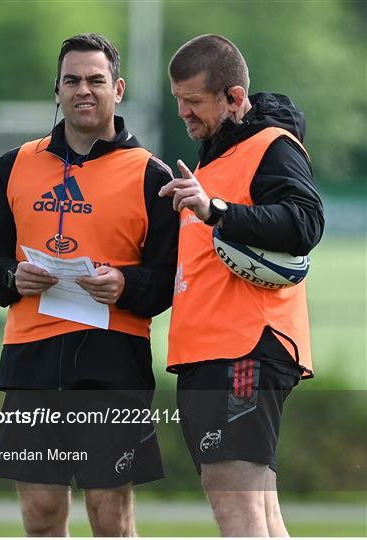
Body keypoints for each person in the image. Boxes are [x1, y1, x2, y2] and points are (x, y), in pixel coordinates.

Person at [0, 33, 178, 537]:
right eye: (72, 80)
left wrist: (125, 284)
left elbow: (170, 279)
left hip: (114, 359)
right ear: (57, 90)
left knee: (110, 513)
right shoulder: (14, 164)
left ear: (118, 88)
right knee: (40, 512)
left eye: (96, 80)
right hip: (31, 356)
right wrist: (10, 276)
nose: (84, 90)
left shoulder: (152, 175)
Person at [159, 34, 324, 537]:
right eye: (178, 101)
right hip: (209, 350)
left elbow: (305, 223)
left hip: (246, 348)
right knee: (258, 511)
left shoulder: (270, 145)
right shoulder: (212, 160)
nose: (184, 113)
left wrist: (217, 210)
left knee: (237, 504)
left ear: (233, 97)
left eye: (194, 102)